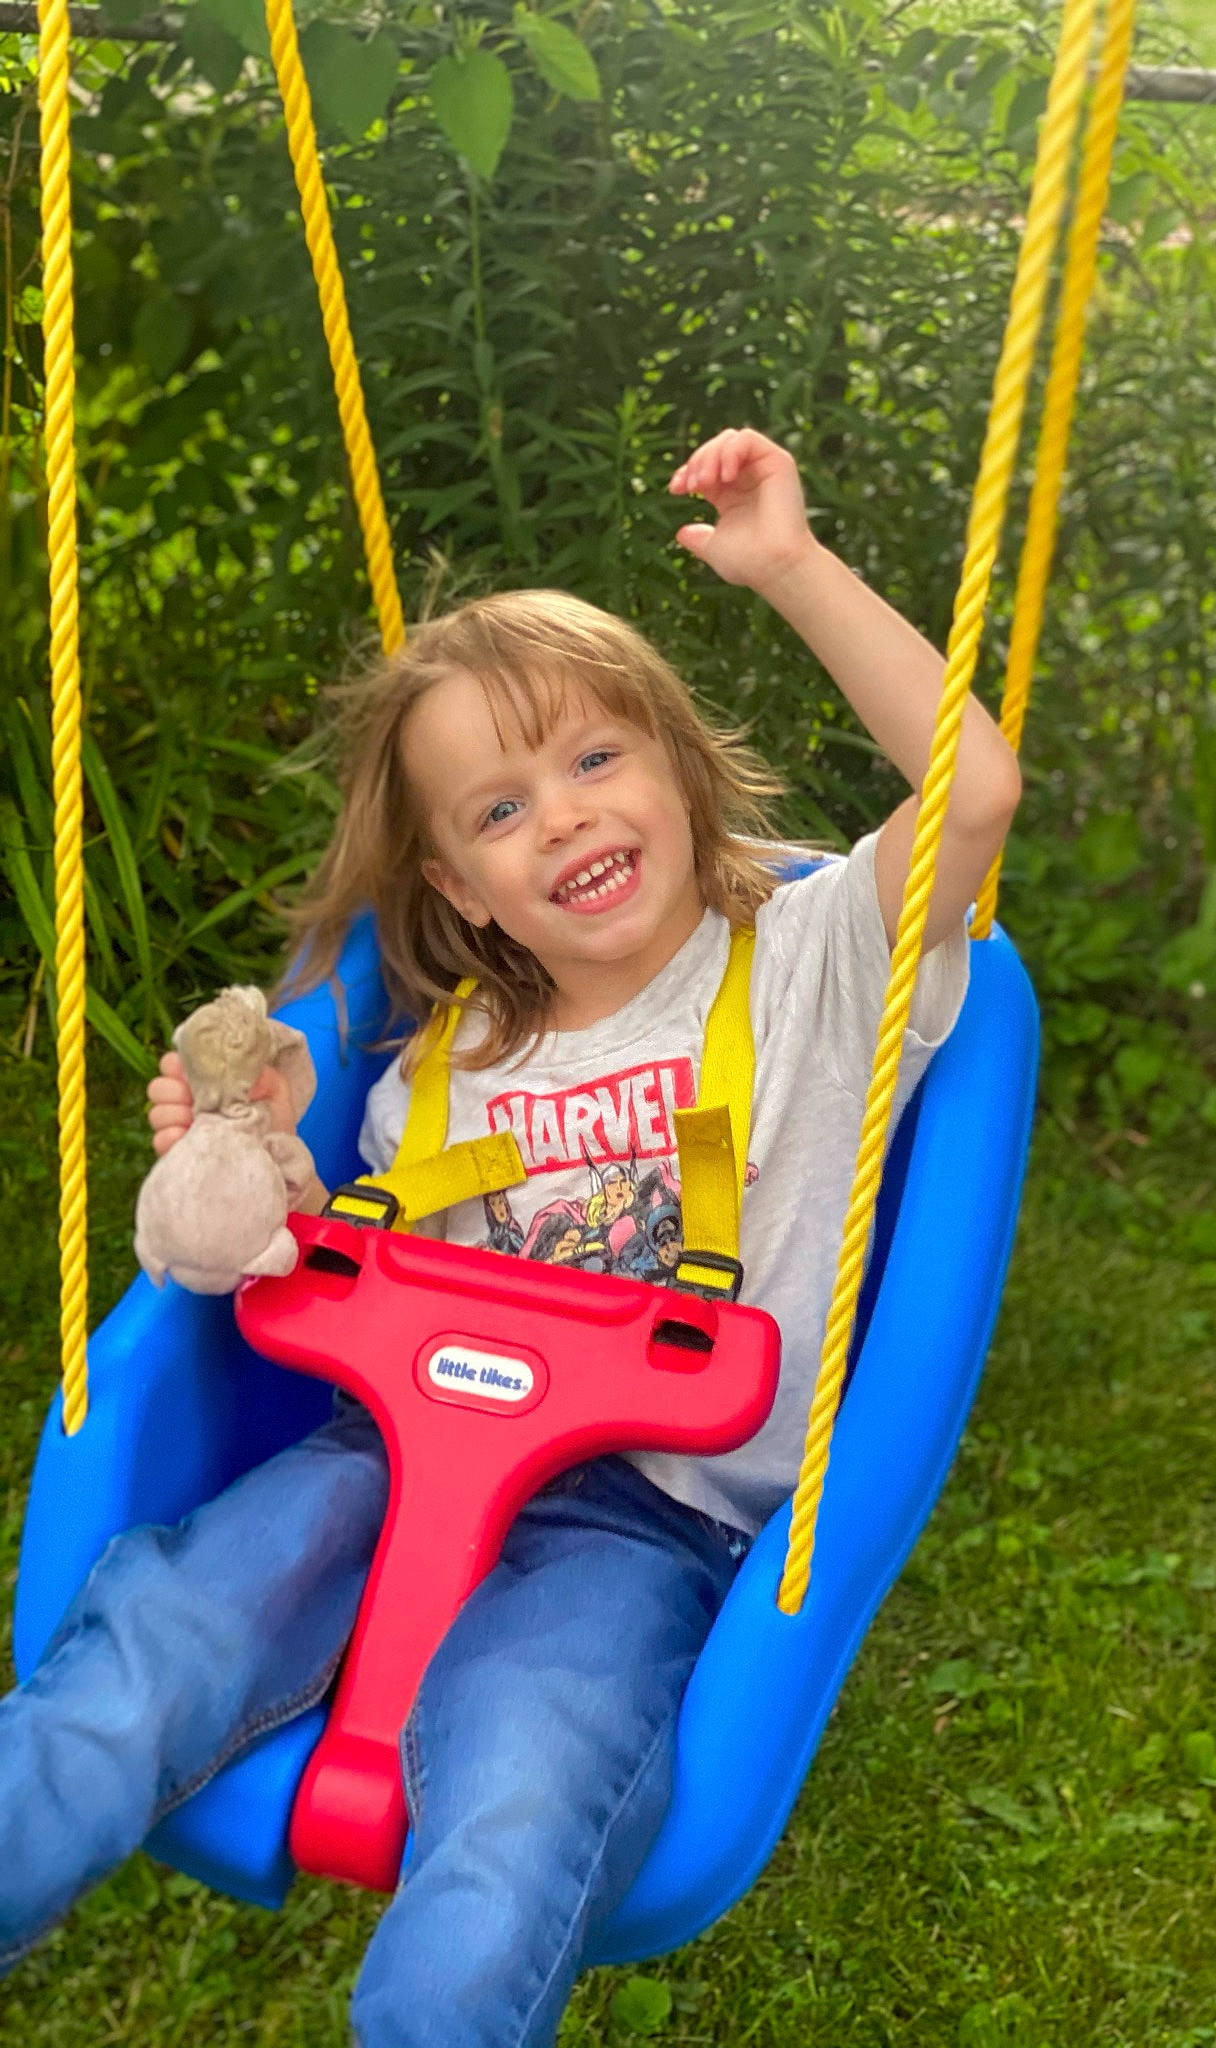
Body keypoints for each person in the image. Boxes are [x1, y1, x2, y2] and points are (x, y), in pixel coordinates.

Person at [0, 429, 1021, 2043]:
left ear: (680, 768)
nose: (560, 819)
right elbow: (366, 1290)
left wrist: (790, 570)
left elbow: (981, 794)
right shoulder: (450, 1063)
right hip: (387, 1462)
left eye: (596, 761)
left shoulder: (826, 967)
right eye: (499, 805)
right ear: (458, 885)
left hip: (647, 1521)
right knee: (154, 1648)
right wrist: (248, 1184)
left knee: (519, 1799)